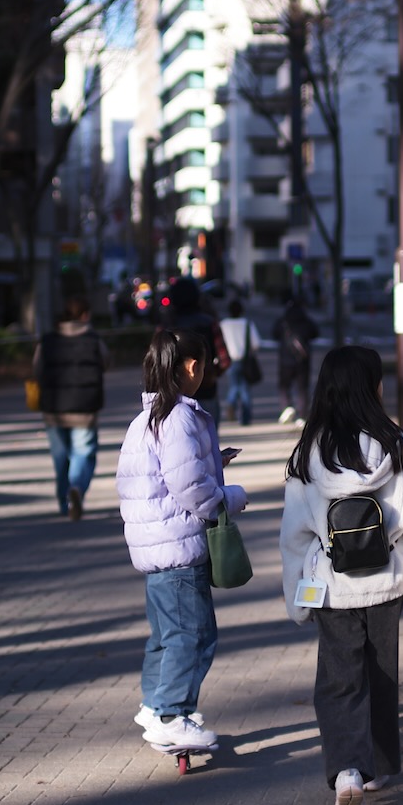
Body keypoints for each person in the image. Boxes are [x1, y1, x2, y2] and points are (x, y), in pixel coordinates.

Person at [279, 343, 403, 805]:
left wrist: (296, 598)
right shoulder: (397, 448)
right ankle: (375, 767)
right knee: (381, 674)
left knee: (339, 679)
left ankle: (347, 770)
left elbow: (293, 535)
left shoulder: (309, 454)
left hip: (331, 585)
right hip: (386, 582)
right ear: (374, 389)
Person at [116, 326, 247, 756]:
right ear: (191, 367)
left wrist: (213, 461)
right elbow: (192, 489)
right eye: (204, 366)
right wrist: (232, 497)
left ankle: (154, 706)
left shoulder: (146, 418)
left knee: (165, 637)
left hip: (157, 549)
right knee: (194, 635)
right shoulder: (179, 418)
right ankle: (172, 715)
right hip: (179, 549)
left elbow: (162, 474)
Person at [36, 288, 108, 519]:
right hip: (85, 408)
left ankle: (63, 501)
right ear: (85, 315)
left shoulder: (48, 340)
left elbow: (37, 369)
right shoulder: (93, 340)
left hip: (53, 409)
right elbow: (106, 362)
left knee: (60, 458)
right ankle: (75, 488)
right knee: (83, 453)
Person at [275, 287, 317, 424]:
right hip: (302, 359)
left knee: (284, 386)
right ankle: (302, 416)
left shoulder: (284, 320)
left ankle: (287, 406)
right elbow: (315, 332)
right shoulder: (305, 319)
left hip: (286, 359)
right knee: (302, 388)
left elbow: (274, 333)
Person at [218, 296, 259, 427]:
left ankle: (231, 403)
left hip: (229, 360)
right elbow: (256, 344)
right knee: (244, 388)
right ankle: (246, 417)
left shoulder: (223, 324)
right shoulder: (247, 324)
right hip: (244, 359)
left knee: (234, 385)